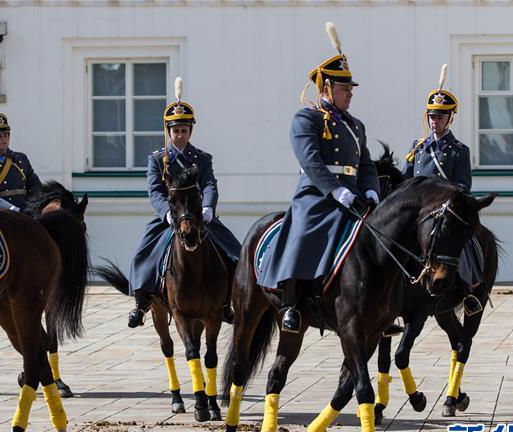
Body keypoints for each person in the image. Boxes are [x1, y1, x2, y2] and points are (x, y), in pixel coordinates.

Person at [256, 23, 380, 333]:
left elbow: (366, 164)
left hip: (354, 195)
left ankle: (380, 307)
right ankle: (292, 303)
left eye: (350, 89)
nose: (350, 94)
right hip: (317, 195)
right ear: (325, 89)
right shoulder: (306, 118)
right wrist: (334, 191)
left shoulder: (356, 125)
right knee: (304, 233)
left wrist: (372, 190)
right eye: (343, 88)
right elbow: (309, 160)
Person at [127, 78, 241, 328]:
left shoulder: (201, 158)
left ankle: (226, 303)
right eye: (176, 130)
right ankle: (141, 302)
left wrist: (208, 207)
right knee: (143, 253)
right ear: (168, 131)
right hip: (170, 217)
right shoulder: (158, 160)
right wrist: (166, 214)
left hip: (199, 215)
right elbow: (155, 190)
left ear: (190, 131)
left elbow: (210, 184)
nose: (180, 135)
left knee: (235, 251)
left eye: (184, 130)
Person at [403, 64, 482, 315]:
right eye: (431, 116)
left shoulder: (459, 150)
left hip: (444, 211)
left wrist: (443, 199)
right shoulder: (417, 149)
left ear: (450, 118)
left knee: (461, 240)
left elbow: (463, 186)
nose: (434, 121)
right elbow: (406, 181)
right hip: (419, 212)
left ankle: (467, 288)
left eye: (439, 117)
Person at [0, 94, 40, 211]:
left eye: (6, 135)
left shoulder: (21, 158)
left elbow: (35, 185)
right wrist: (10, 208)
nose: (3, 139)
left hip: (26, 209)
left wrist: (32, 205)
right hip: (3, 212)